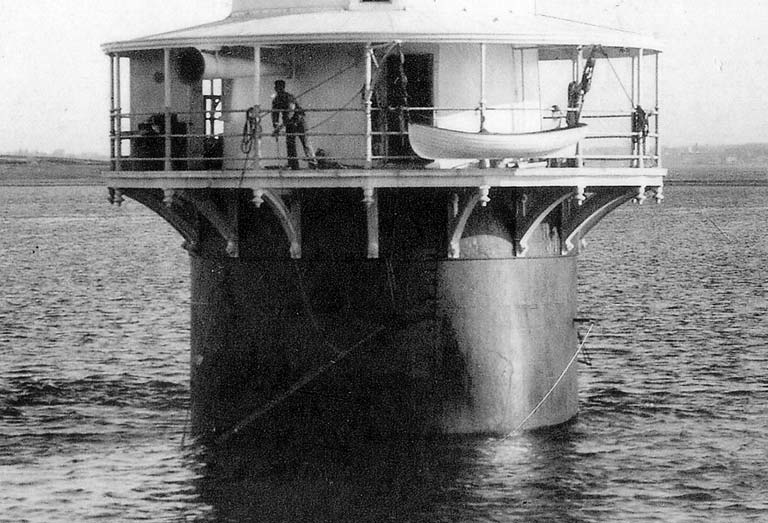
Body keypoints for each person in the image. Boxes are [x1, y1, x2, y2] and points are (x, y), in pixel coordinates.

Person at [271, 80, 316, 170]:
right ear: (275, 88)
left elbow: (291, 111)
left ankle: (313, 163)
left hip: (299, 120)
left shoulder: (289, 97)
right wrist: (275, 125)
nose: (277, 89)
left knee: (305, 141)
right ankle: (293, 164)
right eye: (276, 87)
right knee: (290, 143)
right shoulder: (276, 100)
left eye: (279, 87)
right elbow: (275, 114)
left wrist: (280, 126)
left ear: (282, 88)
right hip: (289, 123)